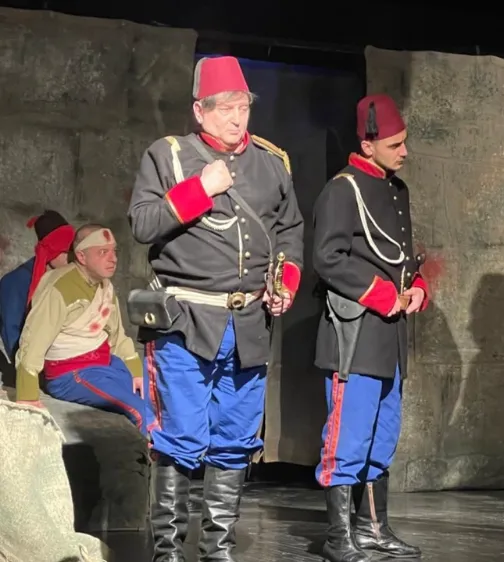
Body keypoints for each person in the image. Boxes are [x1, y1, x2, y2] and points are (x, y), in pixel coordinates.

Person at [127, 55, 305, 562]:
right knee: (180, 436)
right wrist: (201, 188)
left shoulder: (271, 164)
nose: (236, 119)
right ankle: (167, 551)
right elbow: (143, 223)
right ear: (199, 111)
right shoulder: (168, 156)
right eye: (224, 108)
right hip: (186, 322)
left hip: (248, 325)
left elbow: (289, 232)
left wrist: (285, 283)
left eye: (242, 107)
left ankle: (217, 549)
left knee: (235, 439)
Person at [312, 93, 429, 562]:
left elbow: (401, 256)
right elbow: (327, 258)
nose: (405, 152)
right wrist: (383, 295)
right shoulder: (343, 189)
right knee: (348, 437)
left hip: (389, 336)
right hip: (355, 333)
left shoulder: (397, 190)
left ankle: (374, 528)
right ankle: (338, 537)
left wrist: (416, 285)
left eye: (405, 142)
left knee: (383, 435)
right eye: (395, 145)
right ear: (367, 144)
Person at [13, 225, 147, 433]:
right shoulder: (59, 287)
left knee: (156, 395)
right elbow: (34, 339)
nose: (113, 259)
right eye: (103, 252)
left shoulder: (106, 287)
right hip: (71, 373)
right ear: (82, 256)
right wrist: (27, 395)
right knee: (140, 411)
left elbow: (117, 336)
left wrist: (136, 371)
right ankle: (153, 452)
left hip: (105, 364)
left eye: (114, 251)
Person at [0, 210, 73, 362]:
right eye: (66, 251)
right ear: (50, 251)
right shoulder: (15, 282)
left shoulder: (69, 277)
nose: (72, 258)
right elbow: (13, 337)